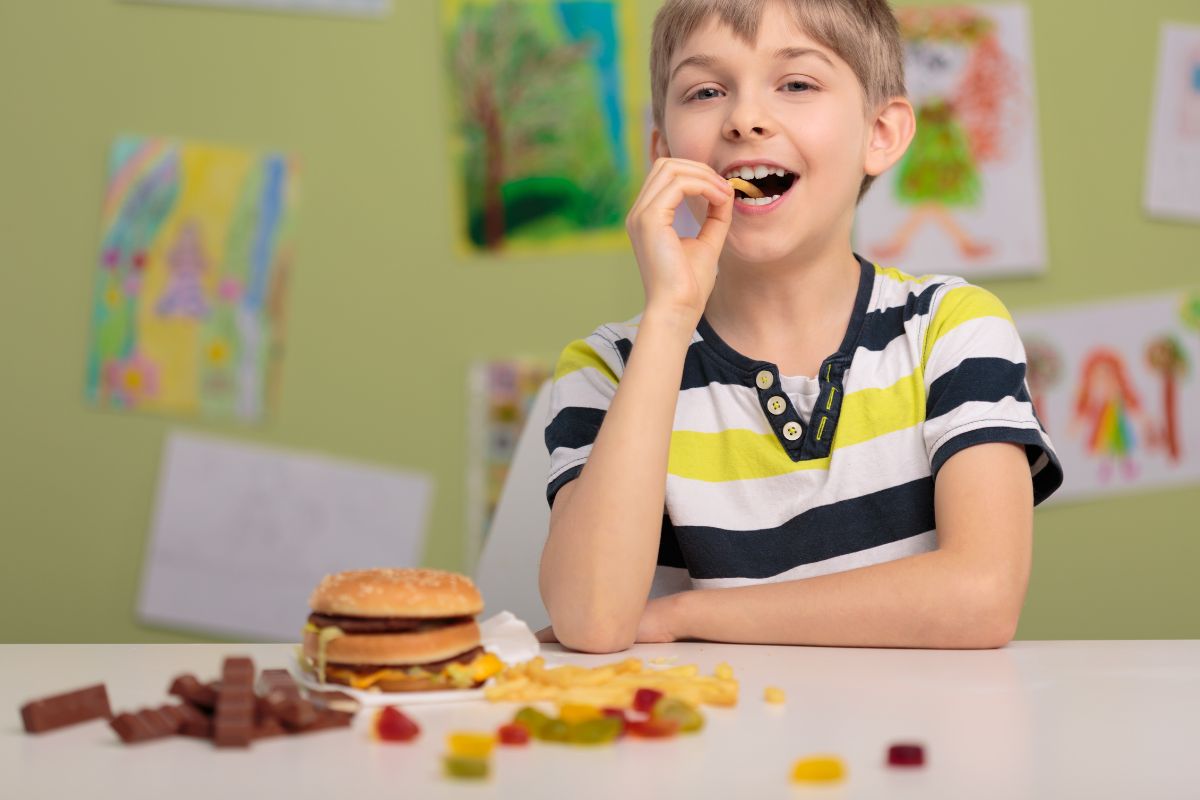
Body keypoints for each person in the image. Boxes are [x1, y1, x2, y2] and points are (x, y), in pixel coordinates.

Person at [538, 0, 1062, 653]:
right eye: (705, 91)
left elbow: (981, 599)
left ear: (882, 133)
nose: (746, 119)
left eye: (796, 84)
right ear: (663, 150)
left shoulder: (950, 331)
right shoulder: (607, 370)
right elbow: (592, 619)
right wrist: (670, 319)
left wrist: (680, 617)